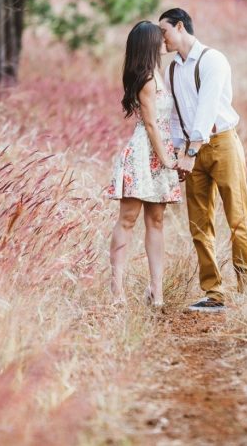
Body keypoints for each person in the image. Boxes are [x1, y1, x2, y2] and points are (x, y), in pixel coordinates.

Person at [158, 8, 247, 313]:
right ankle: (214, 293)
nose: (162, 39)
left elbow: (208, 107)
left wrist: (191, 151)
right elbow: (174, 116)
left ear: (179, 26)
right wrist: (178, 153)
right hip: (190, 151)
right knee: (199, 223)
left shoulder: (212, 59)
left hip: (222, 144)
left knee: (238, 217)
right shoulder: (172, 69)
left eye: (164, 32)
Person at [106, 20, 182, 308]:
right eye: (158, 37)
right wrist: (165, 159)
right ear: (149, 44)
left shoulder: (158, 74)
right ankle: (117, 292)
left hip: (159, 151)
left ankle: (156, 291)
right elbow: (150, 123)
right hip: (144, 153)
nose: (164, 40)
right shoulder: (147, 78)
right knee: (127, 219)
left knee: (157, 221)